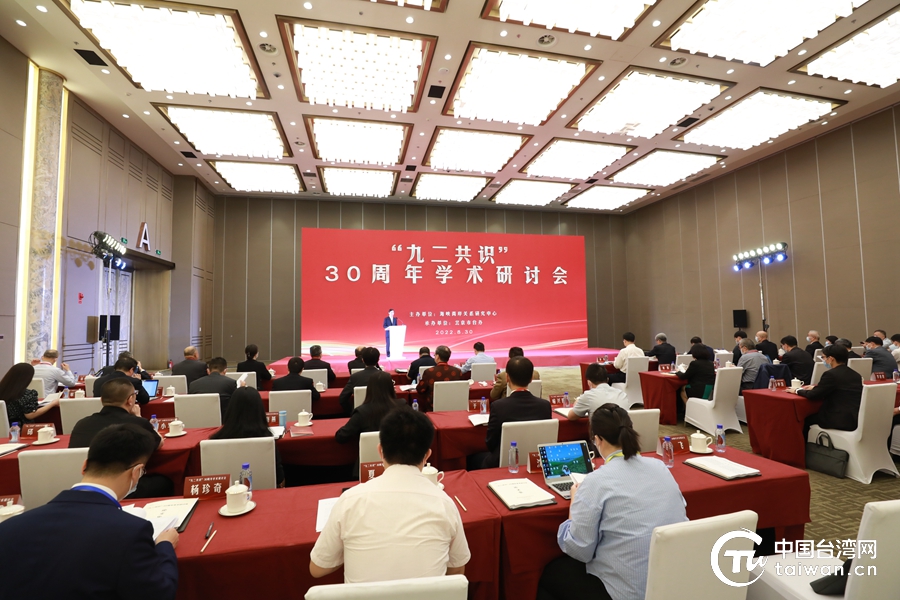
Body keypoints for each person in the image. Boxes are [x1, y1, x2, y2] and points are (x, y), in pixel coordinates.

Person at [0, 424, 179, 599]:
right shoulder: (131, 532)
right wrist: (164, 546)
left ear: (84, 466)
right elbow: (160, 593)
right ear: (136, 472)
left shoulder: (8, 528)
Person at [537, 404, 687, 600]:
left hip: (625, 590)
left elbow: (580, 550)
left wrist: (575, 502)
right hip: (670, 580)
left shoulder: (596, 481)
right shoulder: (659, 466)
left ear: (597, 440)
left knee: (549, 574)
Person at [310, 408, 470, 583]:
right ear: (427, 456)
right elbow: (457, 569)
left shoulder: (350, 500)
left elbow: (317, 568)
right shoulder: (445, 504)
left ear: (380, 451)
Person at [69, 378, 171, 498]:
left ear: (101, 400)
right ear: (130, 400)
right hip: (123, 489)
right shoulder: (137, 423)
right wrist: (138, 417)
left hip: (84, 486)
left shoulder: (81, 424)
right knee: (164, 482)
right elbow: (159, 443)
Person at [482, 357, 551, 469]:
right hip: (536, 462)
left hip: (502, 463)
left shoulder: (498, 406)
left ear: (507, 378)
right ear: (531, 379)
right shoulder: (545, 405)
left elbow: (490, 443)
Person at [211, 387, 284, 487]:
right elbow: (279, 479)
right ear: (260, 410)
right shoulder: (267, 440)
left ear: (231, 409)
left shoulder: (215, 441)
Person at [789, 345, 862, 439]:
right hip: (854, 417)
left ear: (831, 358)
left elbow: (813, 395)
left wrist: (797, 390)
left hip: (838, 419)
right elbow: (840, 387)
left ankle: (806, 446)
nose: (823, 360)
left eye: (823, 357)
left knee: (804, 419)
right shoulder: (855, 374)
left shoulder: (830, 374)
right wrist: (817, 387)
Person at [336, 371, 406, 444]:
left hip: (369, 450)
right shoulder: (402, 405)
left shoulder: (361, 412)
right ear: (391, 388)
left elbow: (341, 436)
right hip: (400, 449)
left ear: (369, 388)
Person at [415, 345, 462, 412]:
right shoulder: (457, 371)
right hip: (453, 405)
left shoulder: (429, 372)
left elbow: (420, 389)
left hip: (432, 406)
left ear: (437, 357)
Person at [339, 347, 385, 415]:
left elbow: (342, 399)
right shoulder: (385, 376)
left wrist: (352, 412)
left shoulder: (355, 377)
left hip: (360, 414)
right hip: (382, 414)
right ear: (378, 360)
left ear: (363, 360)